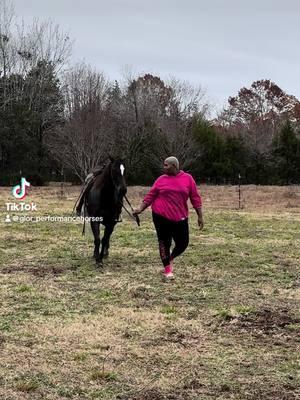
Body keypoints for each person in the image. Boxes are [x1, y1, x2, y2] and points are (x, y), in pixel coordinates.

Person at [133, 156, 203, 280]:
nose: (163, 167)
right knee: (164, 242)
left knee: (183, 243)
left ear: (174, 166)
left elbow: (195, 198)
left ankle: (170, 257)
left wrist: (200, 216)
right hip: (160, 216)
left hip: (180, 216)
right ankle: (167, 270)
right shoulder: (161, 180)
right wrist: (140, 209)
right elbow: (150, 196)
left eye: (166, 165)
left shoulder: (188, 179)